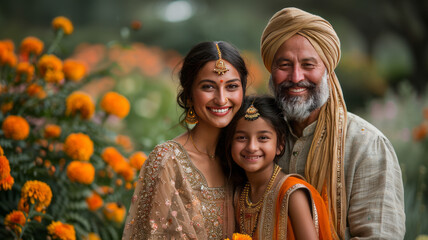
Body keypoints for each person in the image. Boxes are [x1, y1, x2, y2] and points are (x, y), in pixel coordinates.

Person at [260, 7, 405, 239]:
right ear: (271, 69)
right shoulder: (257, 139)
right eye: (284, 65)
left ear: (328, 70)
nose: (296, 77)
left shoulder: (366, 145)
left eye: (308, 65)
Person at [122, 41, 248, 239]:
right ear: (189, 95)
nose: (222, 99)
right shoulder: (167, 161)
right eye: (208, 87)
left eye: (232, 86)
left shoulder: (244, 156)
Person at [218, 95, 334, 239]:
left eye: (263, 138)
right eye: (241, 137)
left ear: (280, 145)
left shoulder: (292, 194)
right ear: (229, 143)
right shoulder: (239, 194)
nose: (252, 147)